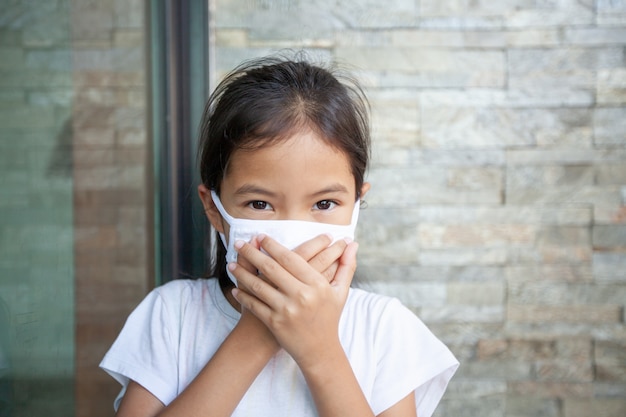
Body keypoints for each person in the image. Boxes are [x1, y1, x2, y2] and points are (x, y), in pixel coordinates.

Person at [100, 54, 459, 417]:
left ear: (356, 204)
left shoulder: (383, 327)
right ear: (214, 209)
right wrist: (258, 332)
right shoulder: (171, 315)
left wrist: (319, 349)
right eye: (259, 204)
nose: (293, 237)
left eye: (323, 203)